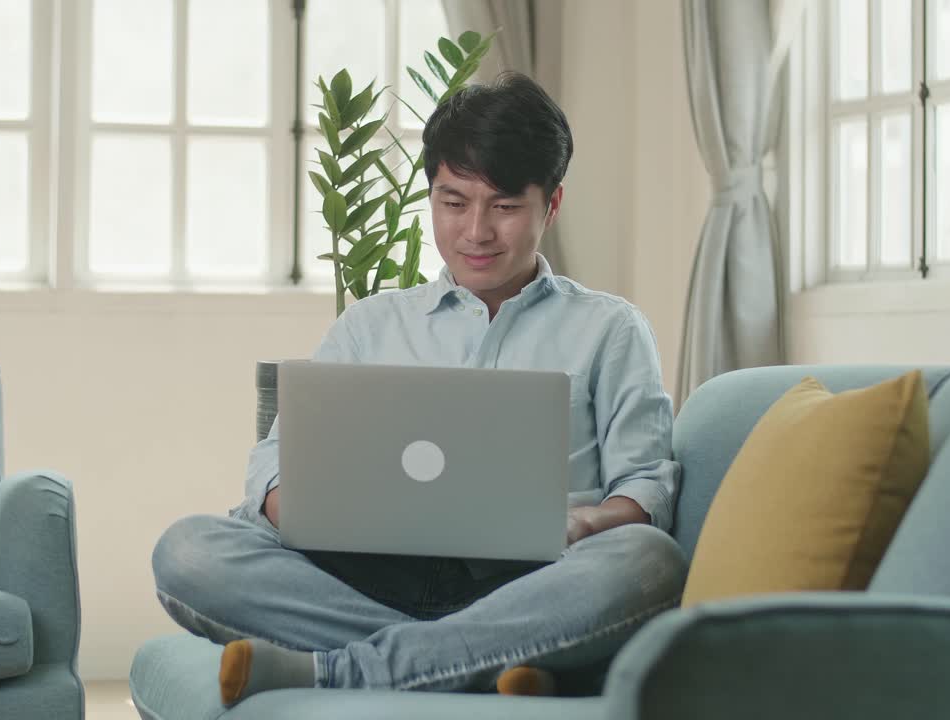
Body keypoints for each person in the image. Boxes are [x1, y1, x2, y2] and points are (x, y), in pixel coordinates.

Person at [152, 72, 685, 707]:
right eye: (453, 203)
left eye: (505, 206)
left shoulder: (610, 328)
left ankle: (342, 671)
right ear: (430, 195)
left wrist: (585, 521)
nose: (476, 232)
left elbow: (646, 487)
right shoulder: (369, 325)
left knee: (647, 561)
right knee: (189, 550)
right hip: (364, 578)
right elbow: (274, 463)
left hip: (532, 583)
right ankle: (490, 660)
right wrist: (296, 505)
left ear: (553, 204)